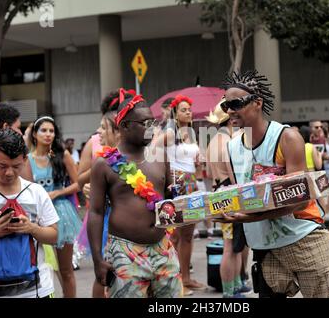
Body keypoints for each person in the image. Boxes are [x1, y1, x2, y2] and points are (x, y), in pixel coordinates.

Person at [220, 70, 329, 298]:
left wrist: (250, 216)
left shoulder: (287, 138)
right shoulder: (232, 147)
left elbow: (298, 199)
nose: (230, 110)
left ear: (257, 103)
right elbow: (242, 197)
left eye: (236, 103)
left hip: (304, 238)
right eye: (226, 106)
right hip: (265, 247)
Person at [88, 89, 182, 298]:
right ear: (124, 126)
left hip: (162, 249)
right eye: (144, 124)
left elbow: (169, 201)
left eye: (153, 123)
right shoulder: (104, 165)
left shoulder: (161, 157)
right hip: (124, 252)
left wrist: (178, 194)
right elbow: (95, 212)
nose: (151, 128)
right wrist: (97, 260)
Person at [0, 129, 59, 298]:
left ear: (25, 160)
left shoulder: (36, 192)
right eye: (2, 166)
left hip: (37, 290)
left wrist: (31, 228)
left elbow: (54, 236)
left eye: (16, 166)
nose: (9, 173)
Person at [156, 94, 206, 295]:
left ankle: (185, 278)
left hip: (192, 183)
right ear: (175, 114)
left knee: (188, 234)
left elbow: (190, 156)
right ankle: (175, 281)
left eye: (189, 109)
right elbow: (152, 149)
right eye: (184, 109)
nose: (188, 112)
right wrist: (168, 174)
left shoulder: (190, 133)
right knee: (174, 235)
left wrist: (197, 160)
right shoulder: (169, 133)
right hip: (176, 185)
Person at [28, 116, 81, 298]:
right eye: (43, 130)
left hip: (61, 213)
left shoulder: (62, 155)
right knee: (36, 266)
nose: (48, 134)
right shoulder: (26, 159)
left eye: (51, 131)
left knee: (65, 270)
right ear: (34, 134)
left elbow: (78, 183)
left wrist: (57, 193)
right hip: (35, 216)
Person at [77, 89, 120, 298]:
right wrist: (95, 177)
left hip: (125, 219)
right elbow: (80, 179)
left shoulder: (136, 152)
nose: (99, 130)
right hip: (104, 219)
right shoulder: (96, 145)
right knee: (104, 272)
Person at [205, 99, 247, 298]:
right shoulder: (229, 143)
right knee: (230, 247)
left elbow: (207, 173)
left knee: (234, 246)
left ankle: (237, 285)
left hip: (217, 192)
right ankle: (230, 292)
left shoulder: (212, 142)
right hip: (229, 194)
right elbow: (234, 176)